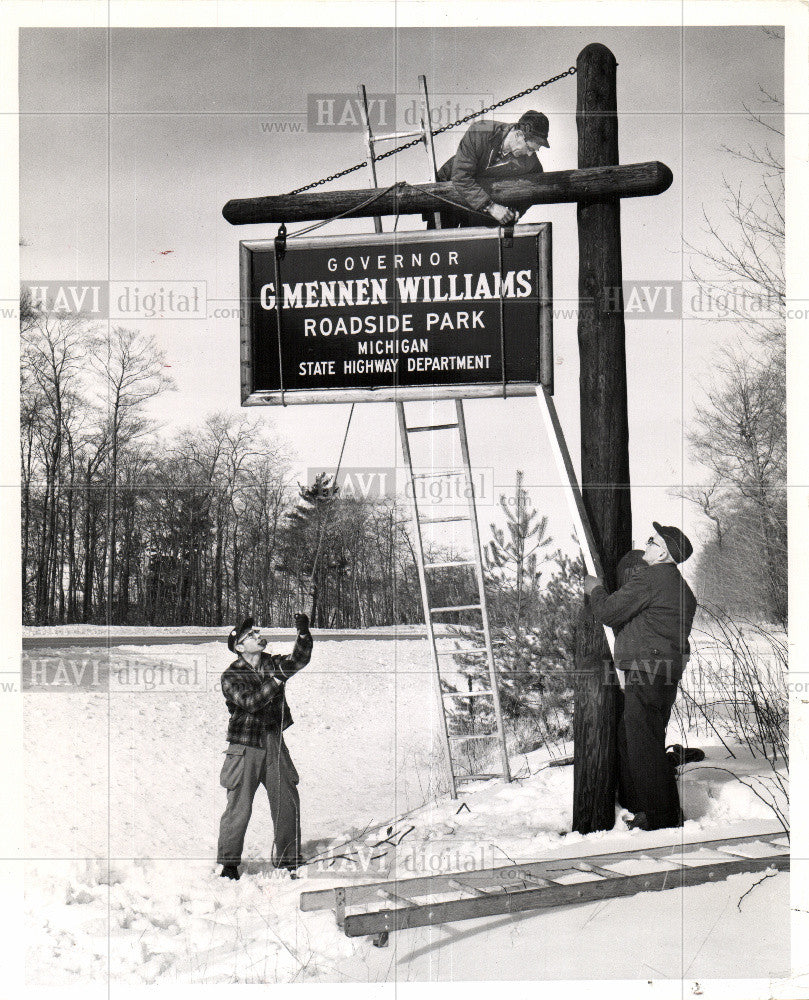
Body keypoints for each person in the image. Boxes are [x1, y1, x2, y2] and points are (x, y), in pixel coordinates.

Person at [584, 523, 697, 831]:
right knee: (635, 738)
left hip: (647, 673)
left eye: (652, 541)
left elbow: (608, 612)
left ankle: (663, 819)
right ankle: (645, 807)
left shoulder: (650, 578)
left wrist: (594, 588)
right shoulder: (684, 590)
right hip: (665, 676)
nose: (646, 544)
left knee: (643, 744)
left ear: (663, 552)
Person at [216, 613, 312, 880]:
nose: (258, 636)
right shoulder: (230, 675)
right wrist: (277, 680)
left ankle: (289, 858)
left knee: (286, 800)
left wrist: (303, 635)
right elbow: (251, 702)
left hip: (274, 742)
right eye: (251, 635)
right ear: (239, 646)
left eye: (257, 633)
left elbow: (299, 660)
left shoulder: (272, 663)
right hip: (245, 747)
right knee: (239, 807)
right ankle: (229, 863)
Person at [428, 110, 550, 228]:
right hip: (448, 189)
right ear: (518, 134)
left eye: (535, 150)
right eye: (529, 148)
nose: (530, 154)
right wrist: (491, 207)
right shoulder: (480, 131)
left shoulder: (532, 165)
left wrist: (516, 211)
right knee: (440, 244)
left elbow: (534, 188)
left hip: (479, 207)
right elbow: (461, 177)